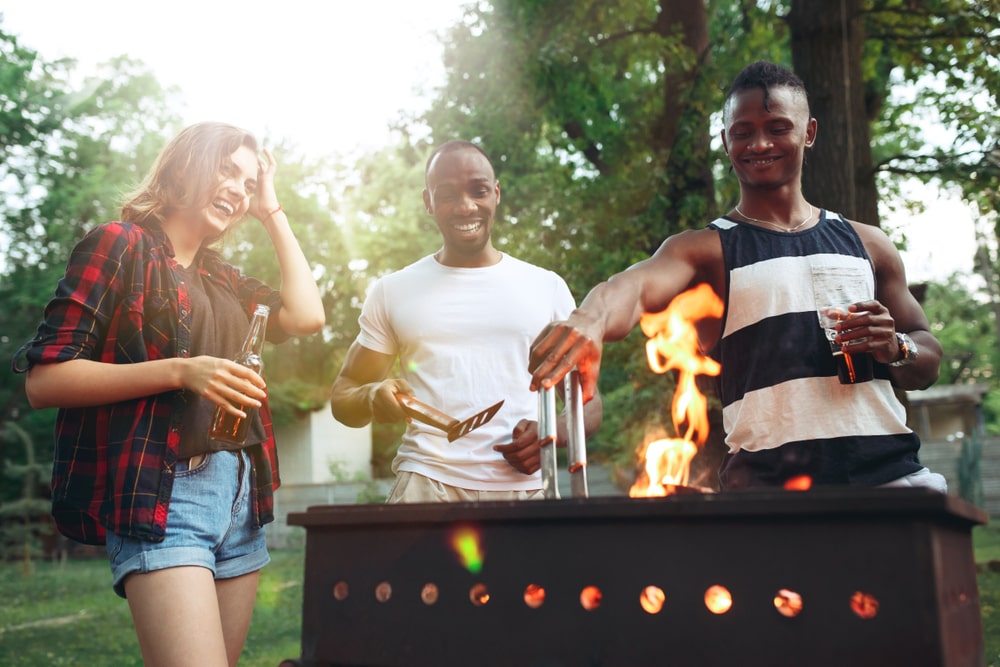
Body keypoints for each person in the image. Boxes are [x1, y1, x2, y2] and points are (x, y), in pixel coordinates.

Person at [529, 61, 946, 492]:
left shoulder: (869, 244)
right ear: (726, 141)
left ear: (810, 133)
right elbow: (631, 289)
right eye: (743, 131)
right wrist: (589, 320)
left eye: (778, 127)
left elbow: (927, 359)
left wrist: (898, 347)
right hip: (767, 501)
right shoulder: (704, 250)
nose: (759, 142)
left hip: (891, 484)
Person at [12, 122, 325, 666]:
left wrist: (271, 210)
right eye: (227, 170)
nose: (238, 188)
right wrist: (181, 372)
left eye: (248, 183)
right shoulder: (119, 244)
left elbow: (307, 316)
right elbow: (46, 380)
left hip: (240, 495)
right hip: (166, 493)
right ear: (185, 167)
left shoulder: (223, 279)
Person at [331, 140, 602, 502]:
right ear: (427, 202)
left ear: (497, 193)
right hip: (425, 486)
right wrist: (370, 396)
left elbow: (588, 400)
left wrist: (556, 434)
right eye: (447, 195)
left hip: (524, 492)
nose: (465, 206)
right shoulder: (392, 290)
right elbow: (344, 394)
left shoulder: (547, 287)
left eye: (479, 191)